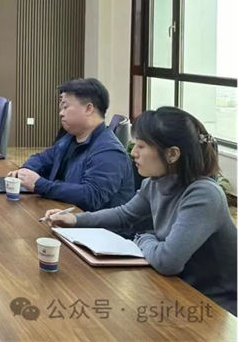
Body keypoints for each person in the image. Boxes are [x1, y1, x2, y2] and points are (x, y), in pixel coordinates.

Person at [44, 107, 236, 316]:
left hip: (215, 308)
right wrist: (75, 219)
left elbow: (167, 261)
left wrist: (142, 237)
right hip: (174, 290)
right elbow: (124, 215)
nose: (133, 152)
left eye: (142, 146)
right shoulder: (155, 183)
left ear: (172, 154)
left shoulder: (203, 195)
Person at [8, 78, 135, 212]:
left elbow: (91, 196)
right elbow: (42, 158)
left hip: (91, 223)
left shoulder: (109, 151)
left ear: (88, 109)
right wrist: (25, 172)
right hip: (63, 214)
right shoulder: (70, 137)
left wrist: (40, 185)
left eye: (65, 107)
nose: (61, 113)